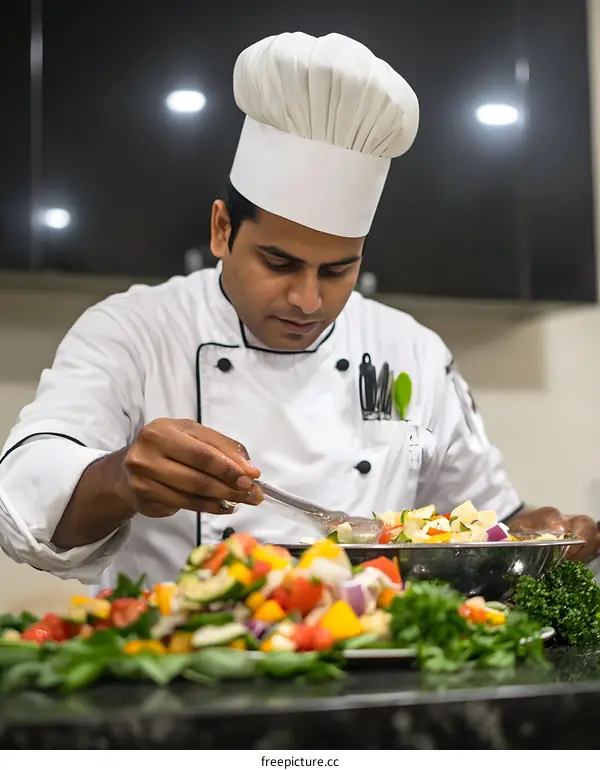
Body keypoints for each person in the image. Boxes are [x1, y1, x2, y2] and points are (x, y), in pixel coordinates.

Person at [0, 32, 598, 592]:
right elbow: (22, 504)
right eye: (279, 263)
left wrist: (537, 533)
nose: (309, 300)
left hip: (369, 667)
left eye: (338, 270)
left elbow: (486, 519)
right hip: (176, 675)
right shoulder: (133, 330)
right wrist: (118, 479)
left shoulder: (410, 351)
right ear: (221, 229)